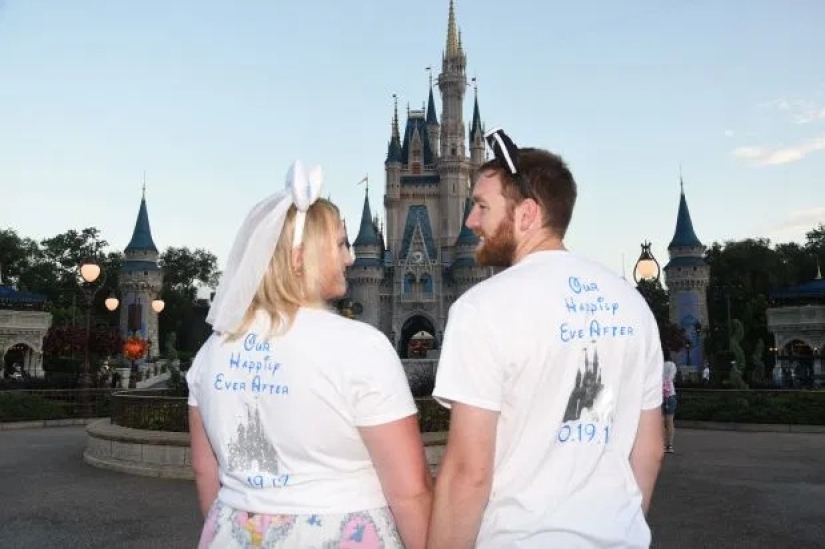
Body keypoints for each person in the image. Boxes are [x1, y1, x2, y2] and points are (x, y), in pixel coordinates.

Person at [428, 128, 665, 548]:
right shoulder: (632, 306)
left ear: (527, 214)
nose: (471, 221)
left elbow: (469, 471)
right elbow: (649, 450)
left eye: (482, 206)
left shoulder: (483, 308)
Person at [186, 161, 432, 549]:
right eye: (339, 245)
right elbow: (410, 492)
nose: (351, 259)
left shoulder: (211, 351)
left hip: (234, 533)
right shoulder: (360, 347)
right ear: (300, 257)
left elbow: (204, 470)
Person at [662, 355, 678, 453]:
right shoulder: (672, 365)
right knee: (670, 421)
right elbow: (671, 378)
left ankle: (662, 445)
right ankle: (670, 445)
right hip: (670, 394)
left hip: (658, 396)